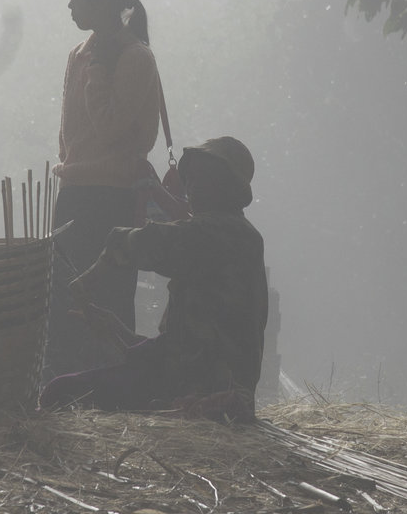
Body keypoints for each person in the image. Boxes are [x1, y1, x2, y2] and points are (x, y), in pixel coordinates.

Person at [40, 136, 266, 422]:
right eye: (191, 179)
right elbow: (180, 348)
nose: (192, 187)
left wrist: (92, 276)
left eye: (204, 179)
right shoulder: (242, 237)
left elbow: (144, 242)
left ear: (227, 188)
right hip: (192, 380)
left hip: (203, 392)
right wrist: (119, 333)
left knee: (59, 394)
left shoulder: (221, 233)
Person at [44, 0, 168, 381]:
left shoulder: (133, 58)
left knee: (106, 299)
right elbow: (70, 136)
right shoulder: (80, 53)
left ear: (100, 0)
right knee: (64, 299)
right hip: (75, 193)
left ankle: (112, 389)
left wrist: (99, 68)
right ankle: (67, 388)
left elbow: (113, 129)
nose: (70, 7)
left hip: (110, 198)